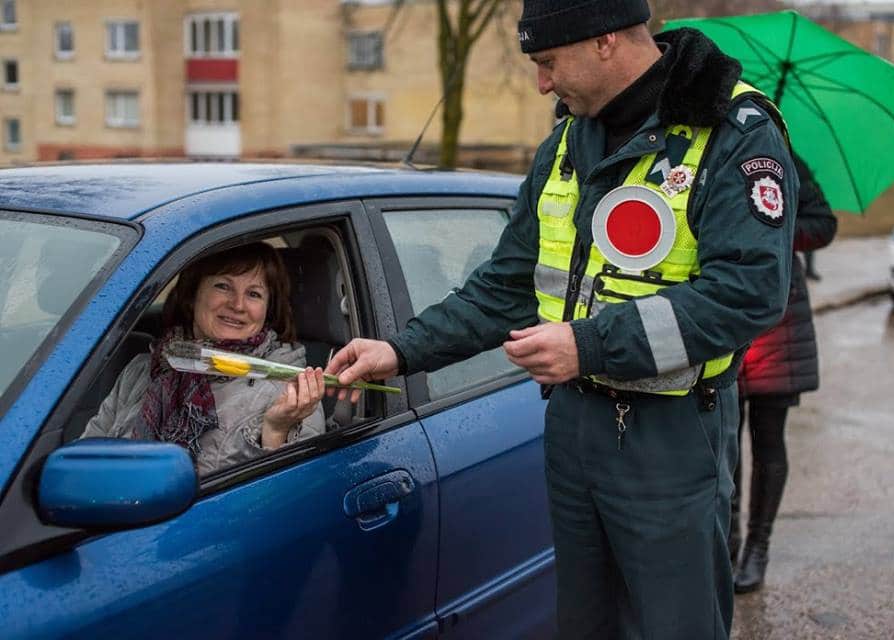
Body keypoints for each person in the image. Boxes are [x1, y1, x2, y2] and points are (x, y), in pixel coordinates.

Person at [327, 1, 798, 636]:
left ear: (604, 41)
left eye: (548, 62)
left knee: (673, 623)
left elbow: (748, 292)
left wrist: (589, 345)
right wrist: (400, 350)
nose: (542, 83)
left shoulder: (733, 132)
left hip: (671, 433)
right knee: (585, 623)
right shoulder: (569, 140)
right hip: (573, 424)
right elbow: (508, 285)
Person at [82, 242, 327, 475]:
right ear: (192, 294)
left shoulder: (292, 393)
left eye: (254, 294)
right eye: (223, 286)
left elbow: (284, 502)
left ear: (267, 310)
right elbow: (86, 460)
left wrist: (275, 432)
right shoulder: (142, 369)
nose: (238, 305)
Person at [731, 154, 837, 593]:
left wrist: (775, 231)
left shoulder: (790, 160)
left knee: (769, 439)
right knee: (722, 446)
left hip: (779, 321)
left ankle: (758, 548)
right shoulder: (712, 154)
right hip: (724, 317)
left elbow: (823, 225)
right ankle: (727, 542)